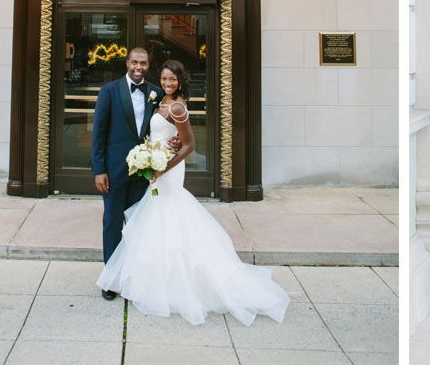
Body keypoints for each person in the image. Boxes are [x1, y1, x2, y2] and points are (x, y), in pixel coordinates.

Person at [96, 59, 290, 326]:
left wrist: (163, 167)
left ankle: (179, 284)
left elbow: (188, 145)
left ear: (180, 81)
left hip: (168, 171)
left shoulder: (177, 106)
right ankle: (154, 279)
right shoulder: (158, 99)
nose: (167, 83)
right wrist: (152, 157)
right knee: (152, 220)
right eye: (164, 79)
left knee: (169, 217)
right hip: (154, 165)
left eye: (172, 80)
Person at [91, 46, 164, 292]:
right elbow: (98, 134)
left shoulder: (156, 92)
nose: (138, 67)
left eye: (143, 63)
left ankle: (134, 276)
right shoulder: (109, 91)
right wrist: (99, 169)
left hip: (142, 172)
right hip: (113, 170)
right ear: (127, 63)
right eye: (134, 62)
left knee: (137, 223)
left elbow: (162, 126)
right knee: (112, 222)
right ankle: (111, 280)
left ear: (148, 64)